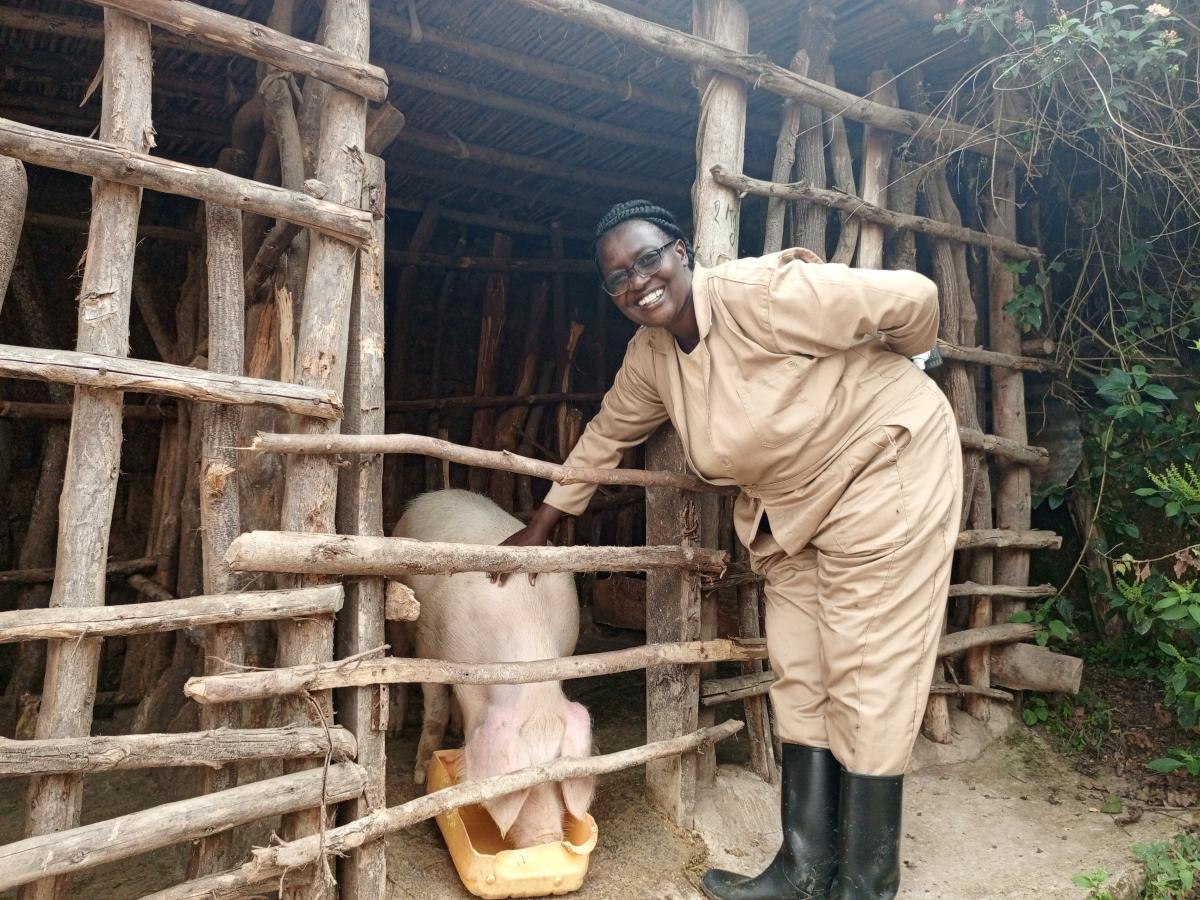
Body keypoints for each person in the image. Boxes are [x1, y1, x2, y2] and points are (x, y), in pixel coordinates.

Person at [500, 200, 963, 900]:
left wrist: (907, 361)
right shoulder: (653, 357)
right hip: (790, 512)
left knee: (868, 674)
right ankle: (805, 871)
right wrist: (542, 523)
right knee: (801, 675)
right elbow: (606, 434)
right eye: (618, 276)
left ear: (682, 252)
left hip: (882, 471)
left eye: (648, 258)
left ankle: (866, 884)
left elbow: (915, 298)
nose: (638, 281)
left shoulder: (762, 296)